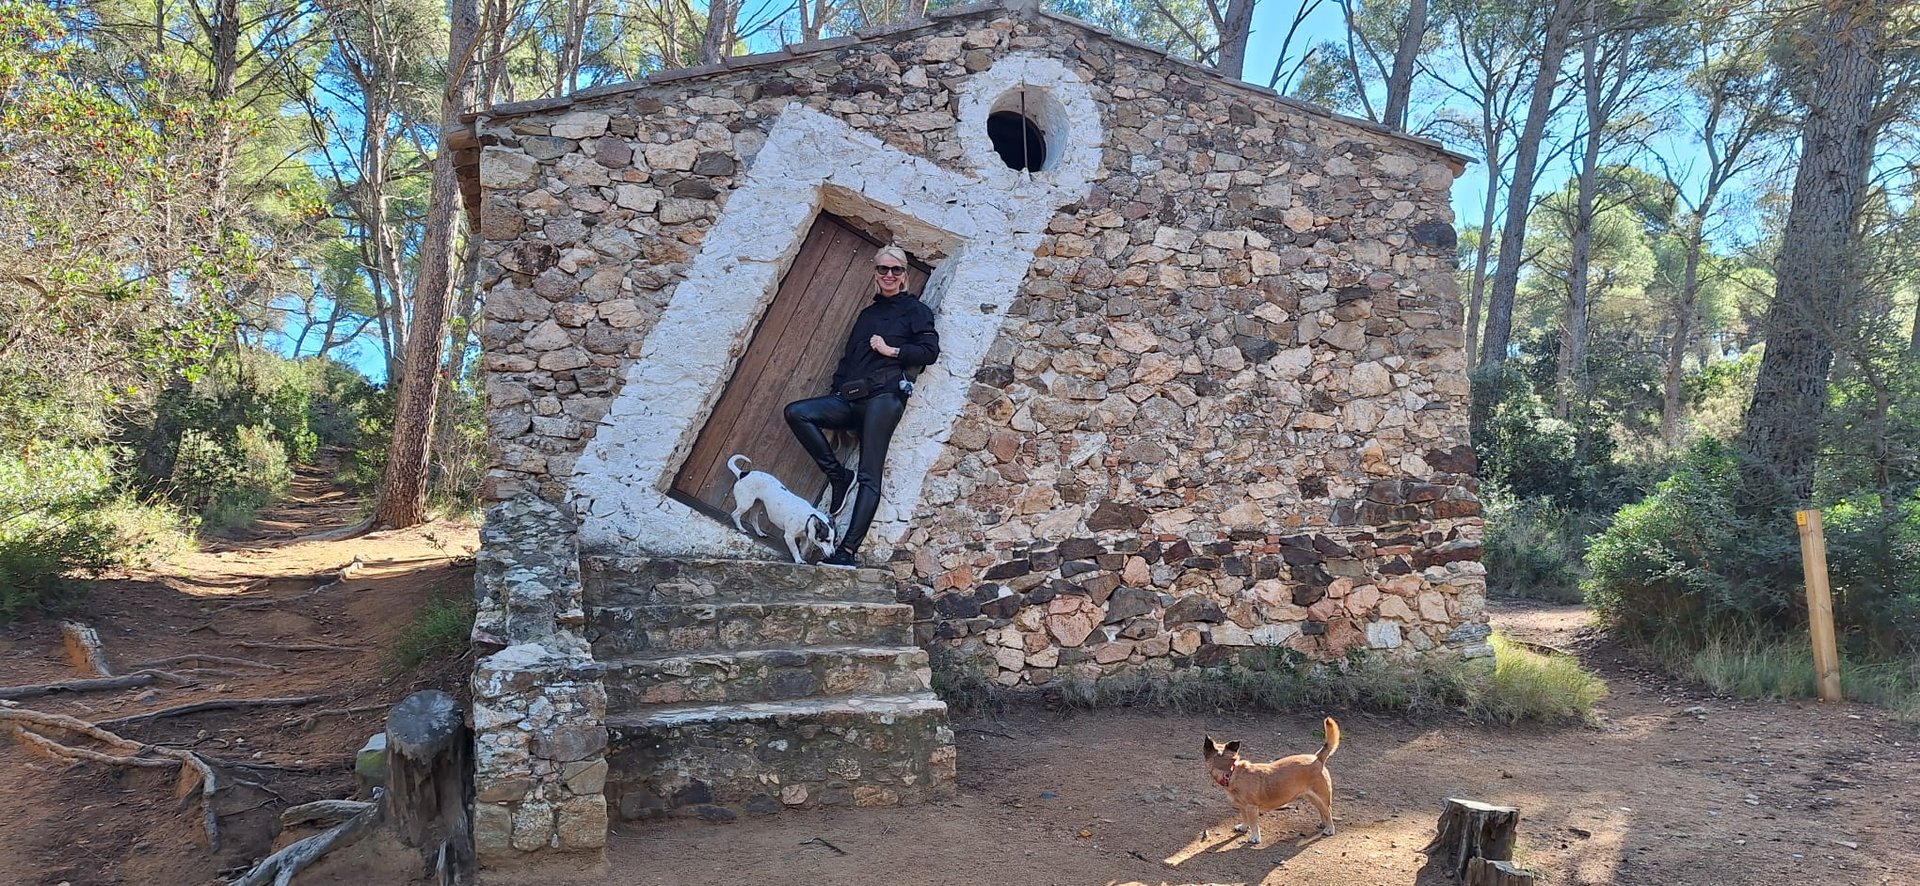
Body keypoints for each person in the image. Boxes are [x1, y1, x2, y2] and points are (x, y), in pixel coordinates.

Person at [783, 245, 940, 567]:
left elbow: (929, 351)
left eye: (896, 270)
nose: (889, 276)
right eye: (883, 269)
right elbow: (849, 358)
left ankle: (847, 552)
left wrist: (891, 351)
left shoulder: (915, 310)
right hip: (851, 399)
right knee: (798, 412)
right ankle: (839, 475)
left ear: (904, 275)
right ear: (875, 272)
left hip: (885, 398)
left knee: (870, 474)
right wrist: (837, 391)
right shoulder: (867, 314)